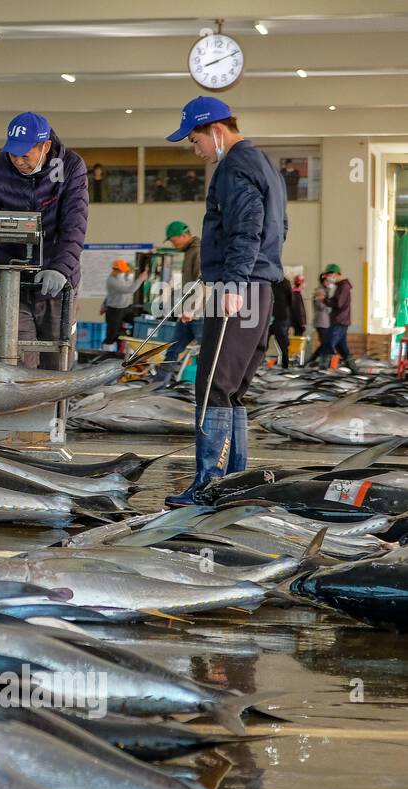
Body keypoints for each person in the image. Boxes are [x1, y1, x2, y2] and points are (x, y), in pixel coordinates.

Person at [162, 96, 287, 506]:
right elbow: (279, 227)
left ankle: (209, 484)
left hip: (240, 288)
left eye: (194, 140)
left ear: (216, 131)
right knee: (232, 390)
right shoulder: (265, 163)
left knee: (213, 386)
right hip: (261, 286)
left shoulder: (233, 166)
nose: (194, 150)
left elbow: (247, 226)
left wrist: (232, 283)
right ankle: (234, 479)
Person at [0, 112, 88, 370]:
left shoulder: (71, 166)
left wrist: (59, 269)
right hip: (11, 281)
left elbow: (74, 225)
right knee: (16, 359)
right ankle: (20, 410)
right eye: (13, 154)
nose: (18, 161)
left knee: (57, 360)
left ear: (45, 147)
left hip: (56, 285)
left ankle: (56, 410)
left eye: (25, 155)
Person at [152, 220, 204, 387]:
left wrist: (191, 309)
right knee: (173, 350)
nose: (174, 245)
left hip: (199, 314)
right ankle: (158, 385)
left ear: (184, 235)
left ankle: (211, 388)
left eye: (174, 241)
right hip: (187, 314)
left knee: (206, 354)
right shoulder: (189, 251)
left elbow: (202, 282)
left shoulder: (198, 251)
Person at [314, 264, 356, 371]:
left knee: (327, 344)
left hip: (340, 321)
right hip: (339, 320)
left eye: (331, 274)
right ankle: (354, 370)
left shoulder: (343, 287)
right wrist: (325, 298)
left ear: (338, 274)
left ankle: (322, 370)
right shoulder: (340, 287)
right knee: (342, 348)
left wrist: (324, 299)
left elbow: (338, 303)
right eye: (327, 275)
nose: (329, 277)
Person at [102, 259, 146, 350]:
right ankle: (105, 353)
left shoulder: (120, 276)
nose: (124, 272)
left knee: (137, 322)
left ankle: (127, 338)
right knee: (112, 335)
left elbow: (109, 295)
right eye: (122, 271)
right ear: (115, 270)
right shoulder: (111, 280)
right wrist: (141, 279)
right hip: (114, 310)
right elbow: (129, 290)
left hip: (126, 309)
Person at [269, 275, 293, 368]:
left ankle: (256, 364)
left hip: (272, 315)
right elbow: (290, 300)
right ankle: (285, 364)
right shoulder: (286, 282)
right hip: (282, 316)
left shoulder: (268, 281)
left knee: (262, 342)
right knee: (283, 343)